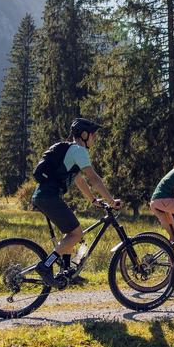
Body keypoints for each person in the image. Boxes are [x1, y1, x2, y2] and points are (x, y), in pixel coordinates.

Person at [32, 117, 121, 285]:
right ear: (85, 134)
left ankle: (66, 272)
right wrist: (111, 201)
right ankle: (45, 266)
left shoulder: (71, 152)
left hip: (45, 196)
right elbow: (94, 179)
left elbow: (79, 180)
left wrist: (93, 199)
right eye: (94, 135)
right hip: (48, 197)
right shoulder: (79, 151)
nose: (95, 138)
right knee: (76, 234)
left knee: (71, 233)